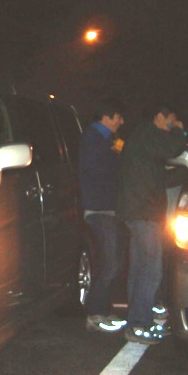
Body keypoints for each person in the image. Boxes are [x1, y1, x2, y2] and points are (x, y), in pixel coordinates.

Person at [117, 102, 187, 344]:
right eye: (170, 121)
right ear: (159, 117)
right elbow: (173, 147)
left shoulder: (142, 138)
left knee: (140, 268)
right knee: (150, 270)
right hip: (144, 213)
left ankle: (137, 321)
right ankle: (139, 323)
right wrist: (179, 130)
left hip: (139, 212)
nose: (171, 126)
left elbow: (159, 174)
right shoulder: (149, 133)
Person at [79, 99, 128, 333]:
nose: (121, 122)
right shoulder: (93, 138)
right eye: (118, 117)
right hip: (99, 208)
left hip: (106, 207)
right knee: (110, 262)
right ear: (106, 117)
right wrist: (116, 154)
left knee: (112, 261)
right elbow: (100, 169)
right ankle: (95, 313)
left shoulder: (106, 139)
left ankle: (103, 310)